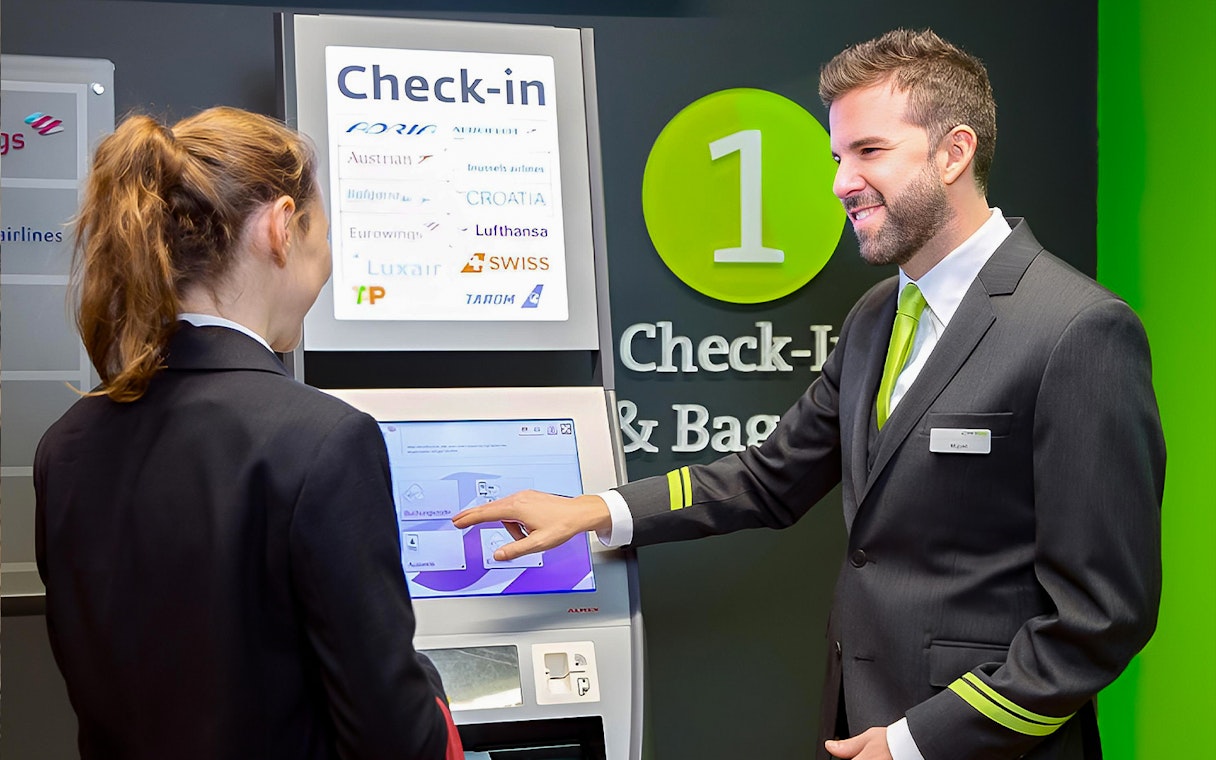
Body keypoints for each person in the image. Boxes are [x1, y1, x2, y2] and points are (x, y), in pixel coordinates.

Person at [453, 29, 1165, 760]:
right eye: (837, 157)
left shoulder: (1077, 330)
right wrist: (592, 511)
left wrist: (916, 742)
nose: (841, 184)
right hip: (858, 722)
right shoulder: (877, 316)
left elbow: (1102, 619)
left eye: (869, 151)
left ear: (954, 153)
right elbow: (771, 477)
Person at [35, 107, 462, 760]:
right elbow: (396, 741)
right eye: (325, 234)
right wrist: (427, 682)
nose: (329, 261)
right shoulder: (324, 441)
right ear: (282, 228)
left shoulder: (65, 445)